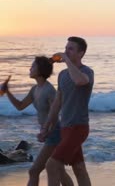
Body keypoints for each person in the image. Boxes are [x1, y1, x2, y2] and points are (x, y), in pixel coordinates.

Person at [3, 57, 73, 186]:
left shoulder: (49, 90)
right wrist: (7, 92)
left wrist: (46, 131)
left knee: (34, 171)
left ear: (40, 70)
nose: (30, 69)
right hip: (49, 132)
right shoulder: (35, 89)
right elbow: (20, 106)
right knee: (59, 170)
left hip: (55, 132)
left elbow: (55, 114)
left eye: (33, 66)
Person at [39, 36, 94, 186]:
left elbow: (79, 81)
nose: (66, 51)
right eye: (65, 48)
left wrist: (67, 60)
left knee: (51, 164)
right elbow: (57, 103)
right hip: (65, 128)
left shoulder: (87, 72)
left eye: (71, 49)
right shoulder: (63, 75)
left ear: (81, 53)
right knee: (79, 168)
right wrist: (46, 126)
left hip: (79, 127)